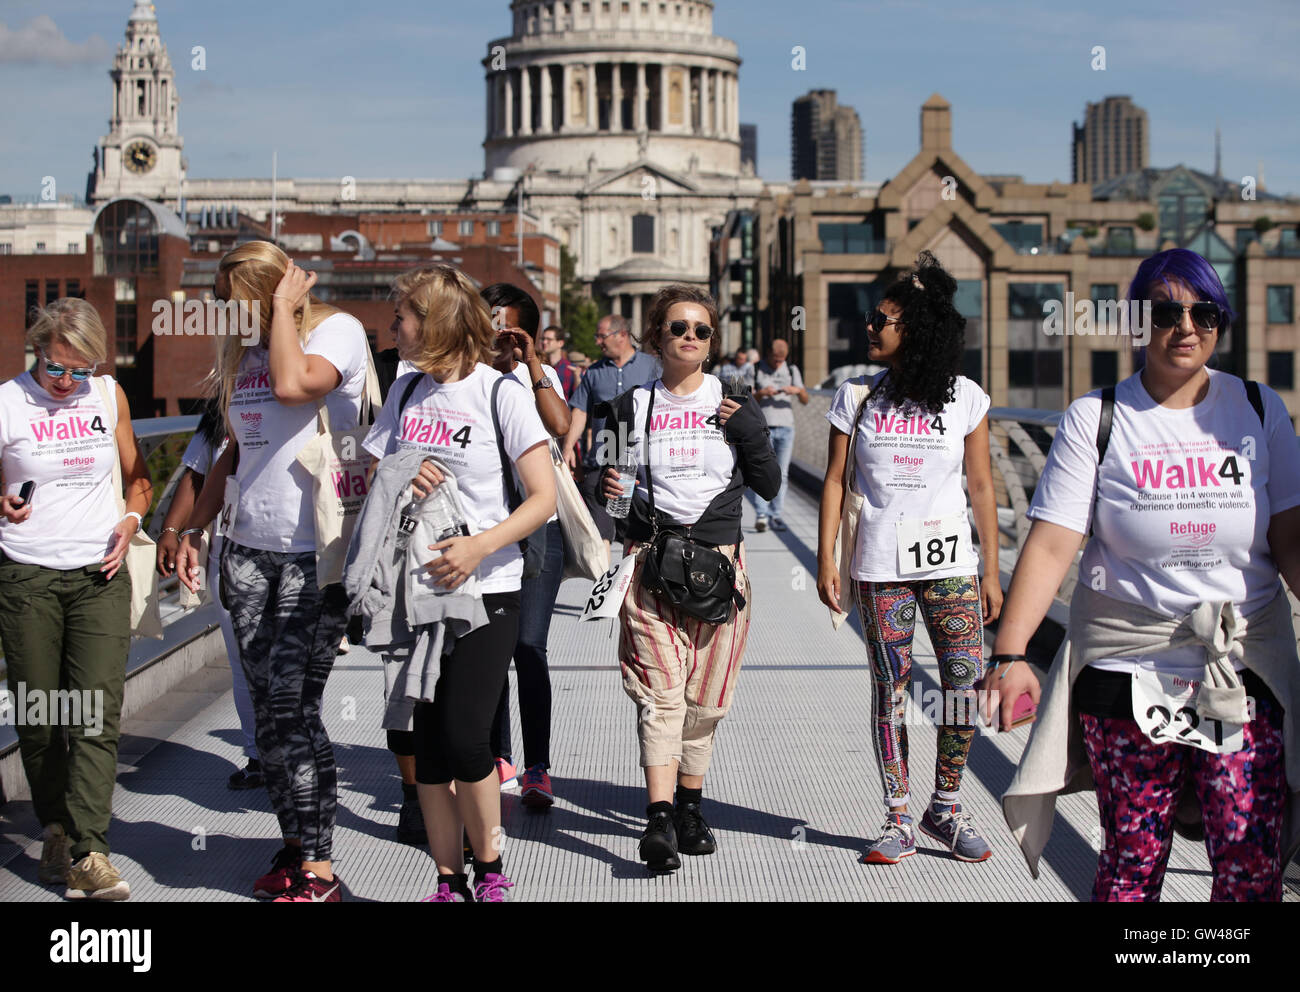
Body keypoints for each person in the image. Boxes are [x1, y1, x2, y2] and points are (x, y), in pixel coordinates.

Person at [987, 248, 1300, 901]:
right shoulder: (1097, 418)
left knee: (1249, 864)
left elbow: (1291, 542)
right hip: (1130, 670)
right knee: (1133, 860)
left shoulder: (1260, 410)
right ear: (1136, 323)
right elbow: (1049, 547)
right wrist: (1012, 653)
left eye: (1204, 312)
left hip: (1242, 665)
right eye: (1166, 312)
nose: (1186, 327)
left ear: (1221, 322)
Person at [176, 241, 370, 903]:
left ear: (273, 292)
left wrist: (286, 310)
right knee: (272, 717)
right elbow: (235, 449)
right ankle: (297, 848)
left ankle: (318, 866)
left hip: (314, 554)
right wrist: (191, 526)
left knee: (292, 712)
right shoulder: (244, 353)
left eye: (241, 305)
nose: (231, 319)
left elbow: (296, 387)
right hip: (246, 550)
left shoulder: (334, 333)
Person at [363, 265, 555, 902]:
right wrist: (401, 472)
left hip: (487, 588)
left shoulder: (500, 394)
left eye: (404, 317)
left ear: (437, 322)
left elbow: (543, 499)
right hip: (414, 593)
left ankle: (490, 865)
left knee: (470, 733)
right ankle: (447, 880)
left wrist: (479, 546)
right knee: (426, 743)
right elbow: (372, 477)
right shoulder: (405, 390)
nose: (395, 328)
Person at [817, 252, 1003, 866]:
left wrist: (992, 570)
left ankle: (944, 806)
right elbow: (837, 482)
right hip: (880, 566)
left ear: (916, 330)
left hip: (951, 563)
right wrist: (826, 559)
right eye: (872, 317)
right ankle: (898, 816)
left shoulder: (966, 399)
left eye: (883, 319)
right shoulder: (857, 396)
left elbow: (981, 487)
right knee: (890, 688)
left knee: (962, 685)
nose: (869, 327)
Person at [601, 285, 779, 872]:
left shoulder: (734, 402)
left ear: (711, 342)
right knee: (661, 694)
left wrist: (750, 425)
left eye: (701, 331)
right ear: (657, 336)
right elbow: (607, 491)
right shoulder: (630, 407)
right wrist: (608, 494)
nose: (689, 338)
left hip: (721, 567)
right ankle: (658, 819)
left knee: (707, 698)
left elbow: (770, 485)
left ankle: (690, 805)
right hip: (652, 565)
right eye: (678, 328)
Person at [0, 298, 153, 900]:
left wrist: (132, 518)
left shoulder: (107, 395)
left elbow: (138, 475)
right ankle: (56, 826)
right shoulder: (7, 402)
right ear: (37, 352)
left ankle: (91, 851)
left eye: (80, 371)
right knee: (41, 718)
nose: (67, 383)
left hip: (100, 576)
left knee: (93, 714)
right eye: (56, 369)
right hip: (27, 577)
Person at [483, 283, 571, 807]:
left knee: (528, 647)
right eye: (490, 326)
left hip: (540, 527)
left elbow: (559, 426)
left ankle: (537, 765)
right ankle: (498, 757)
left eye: (509, 330)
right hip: (488, 529)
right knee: (489, 651)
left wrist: (531, 362)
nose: (500, 339)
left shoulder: (539, 377)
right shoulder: (467, 376)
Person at [156, 401, 261, 790]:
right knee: (242, 661)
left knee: (288, 665)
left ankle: (296, 756)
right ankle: (257, 756)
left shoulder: (300, 392)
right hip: (227, 552)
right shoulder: (221, 409)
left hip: (291, 552)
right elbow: (197, 473)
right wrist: (174, 529)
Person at [562, 314, 658, 552]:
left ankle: (631, 580)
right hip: (602, 459)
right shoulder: (593, 372)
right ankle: (603, 585)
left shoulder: (652, 366)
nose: (597, 342)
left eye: (601, 336)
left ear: (622, 336)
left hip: (640, 461)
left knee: (636, 530)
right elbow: (580, 411)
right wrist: (567, 448)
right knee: (600, 529)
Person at [750, 339, 809, 532]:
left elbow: (805, 399)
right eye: (775, 360)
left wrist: (797, 390)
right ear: (768, 354)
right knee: (763, 470)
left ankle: (776, 515)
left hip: (786, 426)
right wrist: (762, 393)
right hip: (763, 427)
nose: (777, 364)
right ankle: (761, 514)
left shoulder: (792, 369)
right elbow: (748, 397)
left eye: (781, 360)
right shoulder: (756, 368)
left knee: (782, 473)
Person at [540, 325, 579, 401]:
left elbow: (578, 399)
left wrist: (577, 380)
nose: (544, 342)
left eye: (549, 339)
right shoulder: (538, 367)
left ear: (560, 343)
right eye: (543, 339)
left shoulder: (571, 369)